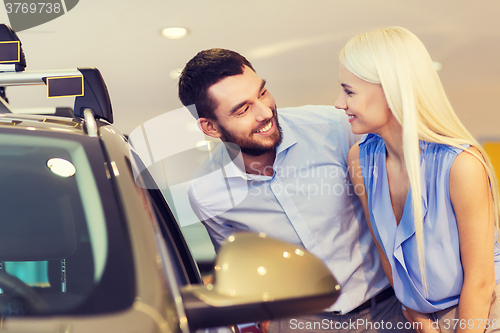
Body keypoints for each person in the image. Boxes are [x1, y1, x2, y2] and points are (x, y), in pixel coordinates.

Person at [178, 48, 414, 332]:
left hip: (387, 309)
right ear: (210, 127)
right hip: (298, 322)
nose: (265, 112)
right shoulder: (207, 191)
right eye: (243, 109)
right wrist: (264, 320)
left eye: (262, 93)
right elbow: (239, 268)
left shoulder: (335, 128)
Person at [335, 27, 500, 333]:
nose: (339, 103)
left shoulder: (460, 165)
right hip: (416, 319)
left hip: (481, 314)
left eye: (349, 91)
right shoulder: (359, 160)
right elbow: (387, 253)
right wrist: (420, 320)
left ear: (390, 90)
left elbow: (480, 283)